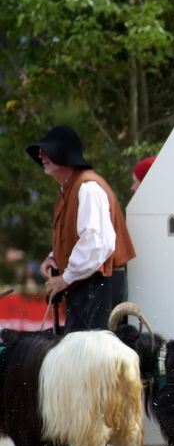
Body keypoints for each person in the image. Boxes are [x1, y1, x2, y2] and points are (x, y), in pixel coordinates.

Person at [27, 126, 136, 332]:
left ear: (65, 154)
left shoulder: (88, 188)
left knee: (91, 357)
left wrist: (64, 279)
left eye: (47, 150)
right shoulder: (69, 189)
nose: (41, 155)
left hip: (99, 284)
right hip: (87, 283)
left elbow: (97, 243)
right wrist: (55, 257)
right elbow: (78, 238)